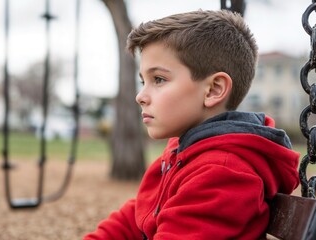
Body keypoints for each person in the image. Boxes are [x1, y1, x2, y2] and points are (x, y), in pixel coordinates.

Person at [84, 9, 299, 240]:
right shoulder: (182, 153)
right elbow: (135, 218)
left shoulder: (223, 174)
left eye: (159, 79)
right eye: (143, 81)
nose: (140, 96)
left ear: (214, 89)